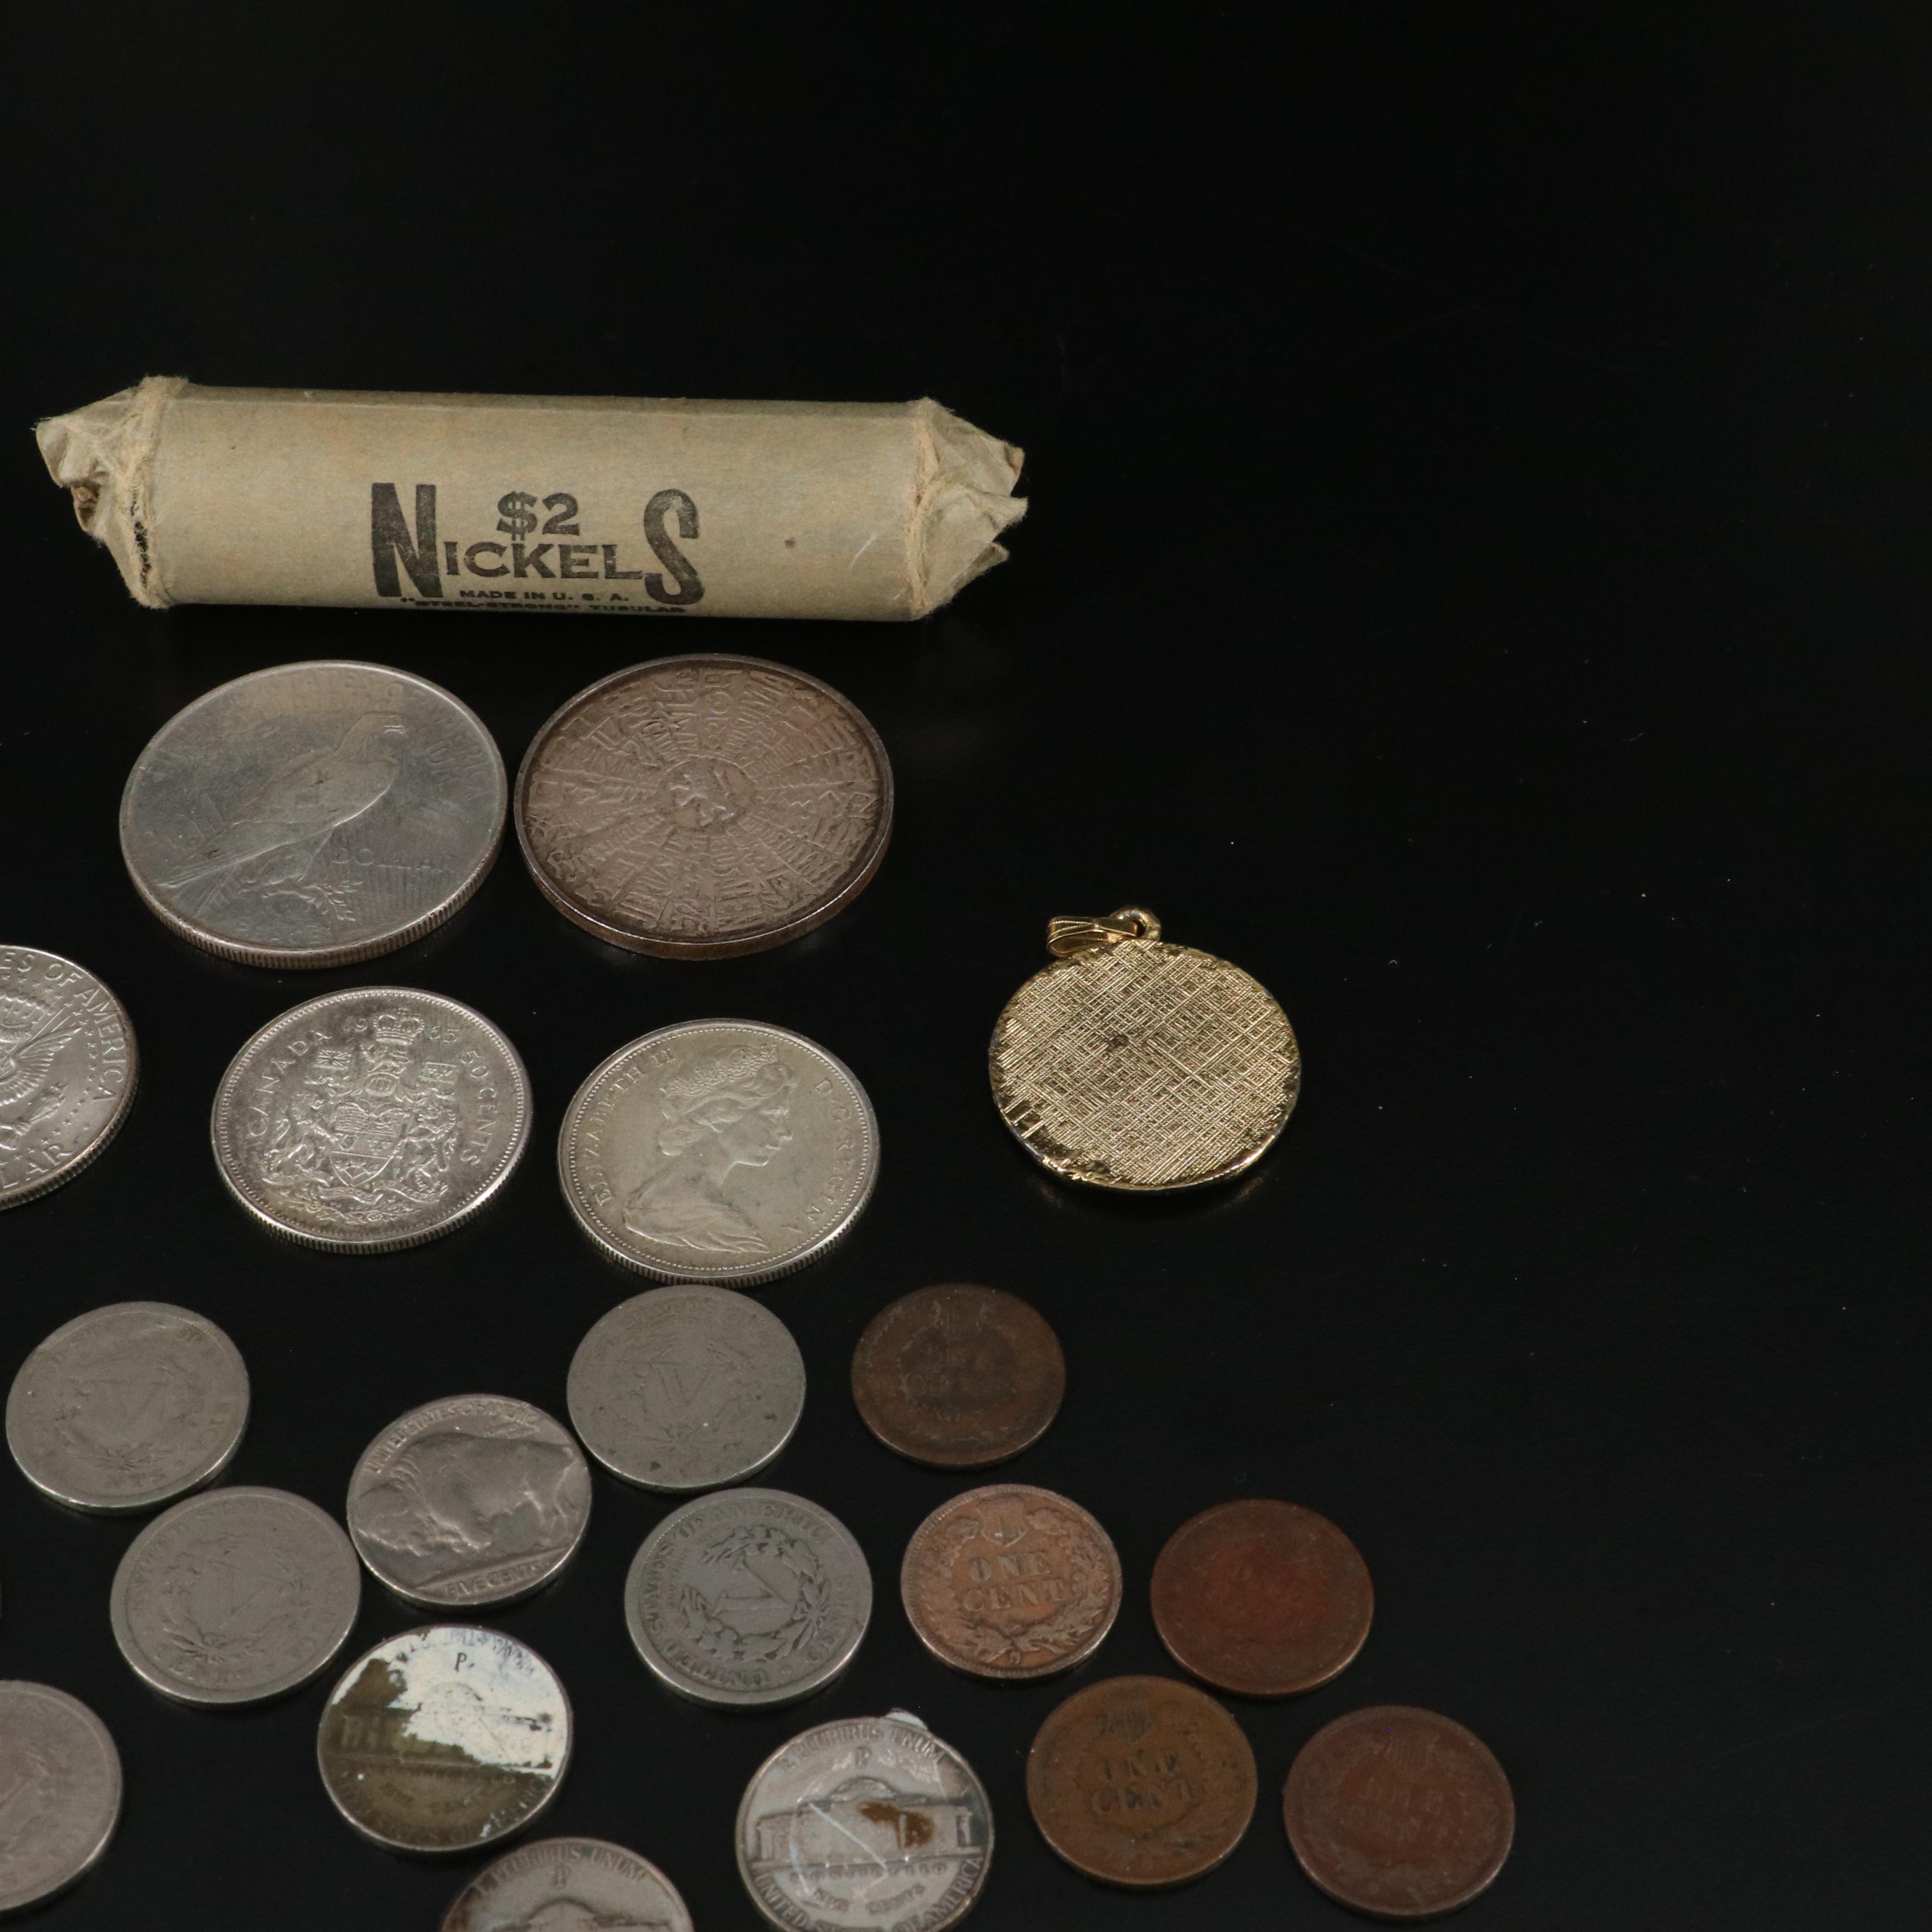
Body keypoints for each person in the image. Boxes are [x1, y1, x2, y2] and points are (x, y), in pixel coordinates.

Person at [623, 1044, 796, 1255]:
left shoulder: (640, 1204)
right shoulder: (730, 1230)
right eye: (774, 1114)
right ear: (718, 1115)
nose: (786, 1133)